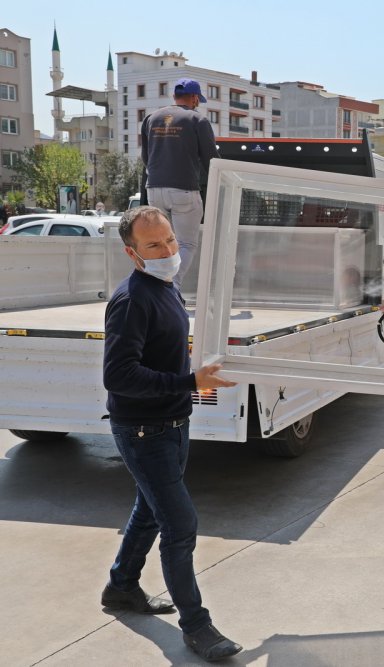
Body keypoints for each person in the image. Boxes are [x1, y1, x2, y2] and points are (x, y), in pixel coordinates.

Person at [101, 205, 242, 661]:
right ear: (133, 253)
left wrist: (192, 384)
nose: (168, 250)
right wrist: (190, 383)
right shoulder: (132, 299)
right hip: (144, 432)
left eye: (170, 240)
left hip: (173, 425)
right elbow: (119, 376)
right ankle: (196, 627)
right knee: (180, 526)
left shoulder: (166, 287)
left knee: (149, 509)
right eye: (154, 245)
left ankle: (121, 586)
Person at [141, 78, 219, 287]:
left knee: (162, 241)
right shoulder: (197, 120)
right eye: (198, 100)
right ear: (194, 98)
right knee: (186, 243)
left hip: (154, 189)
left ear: (175, 97)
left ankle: (156, 283)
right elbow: (212, 160)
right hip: (184, 189)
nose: (198, 104)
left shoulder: (151, 118)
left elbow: (146, 158)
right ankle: (170, 285)